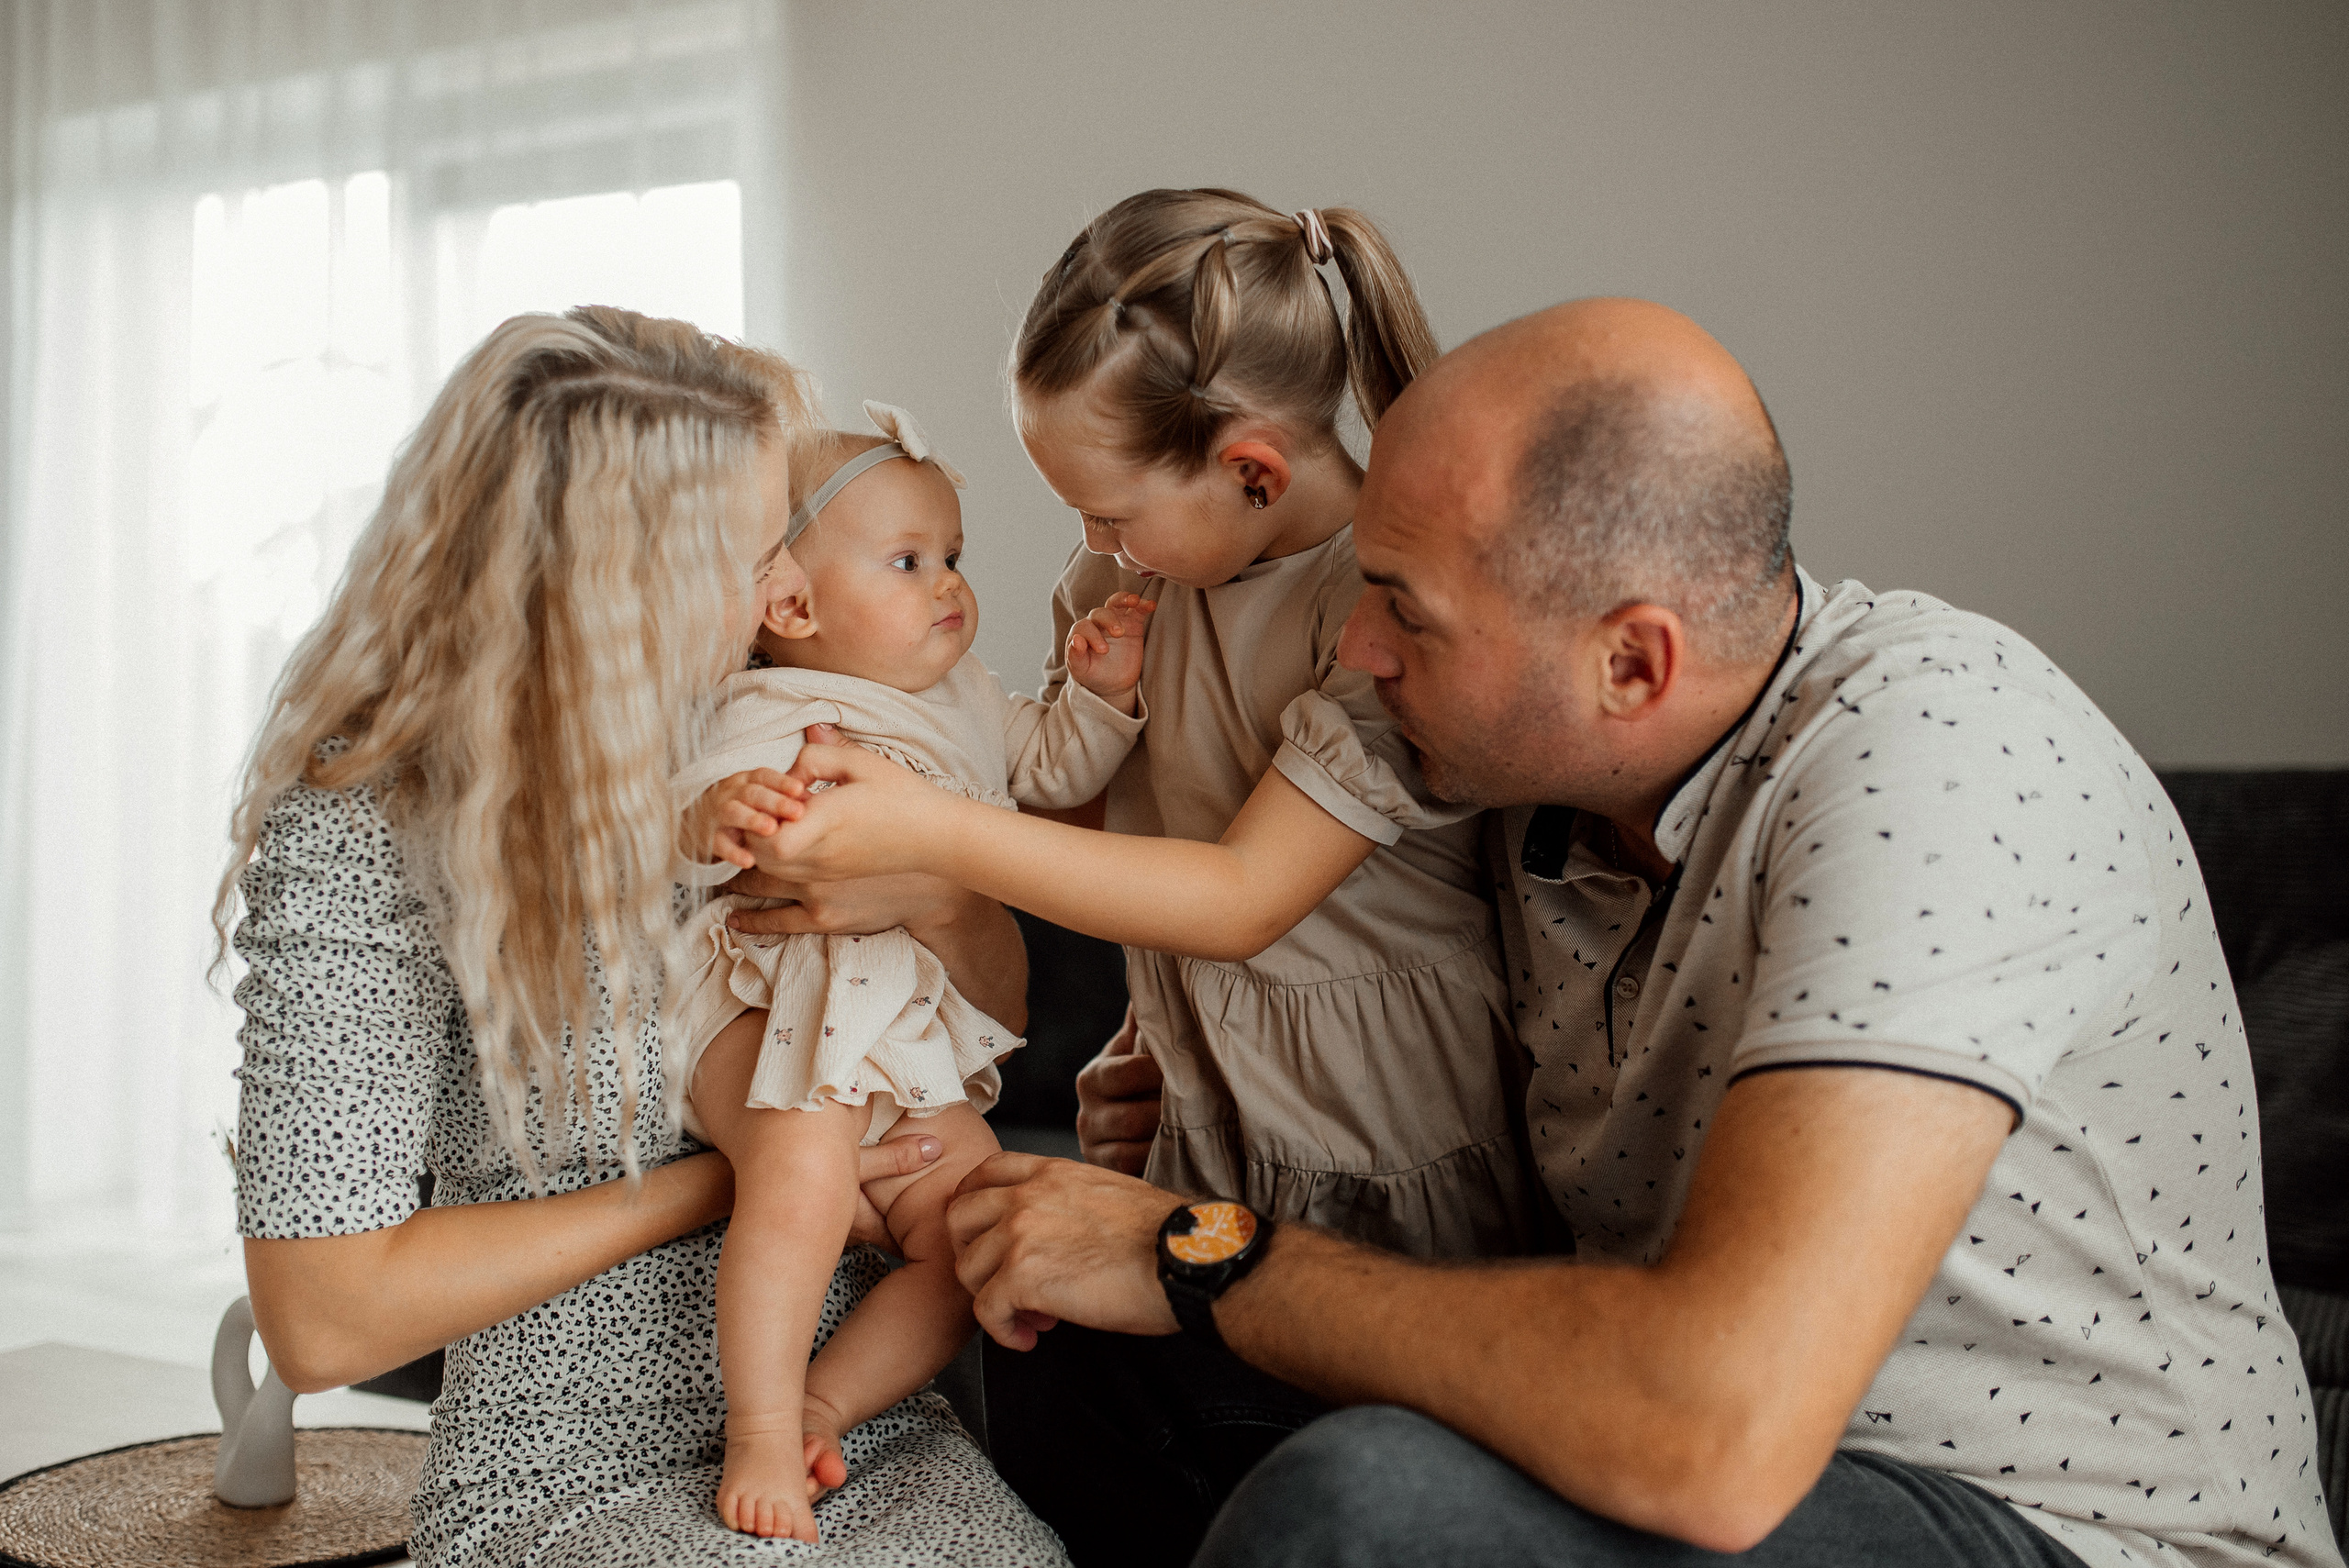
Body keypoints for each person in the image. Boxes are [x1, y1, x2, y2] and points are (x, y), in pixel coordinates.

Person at [760, 299, 2342, 1568]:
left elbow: (1711, 1434)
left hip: (2038, 1515)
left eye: (1403, 610)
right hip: (1649, 1444)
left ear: (1633, 663)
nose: (1357, 649)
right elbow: (1243, 909)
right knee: (1046, 1309)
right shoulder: (1523, 779)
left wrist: (1195, 1246)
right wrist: (1147, 1064)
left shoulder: (1939, 755)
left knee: (1373, 1503)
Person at [718, 186, 1542, 1558]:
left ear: (1254, 474)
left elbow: (1240, 896)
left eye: (1110, 512)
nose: (1094, 548)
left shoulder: (1380, 609)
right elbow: (1098, 834)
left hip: (1381, 1123)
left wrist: (921, 832)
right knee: (1092, 1413)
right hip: (1205, 1106)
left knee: (1343, 1462)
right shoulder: (1129, 593)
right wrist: (1133, 1025)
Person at [219, 308, 1067, 1566]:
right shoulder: (369, 827)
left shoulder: (782, 726)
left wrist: (935, 895)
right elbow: (328, 1322)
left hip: (864, 1429)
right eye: (753, 552)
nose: (788, 588)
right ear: (619, 583)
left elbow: (992, 998)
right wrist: (771, 1170)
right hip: (569, 1469)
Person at [662, 399, 1152, 1540]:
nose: (948, 586)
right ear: (788, 604)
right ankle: (760, 1428)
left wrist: (1103, 693)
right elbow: (666, 831)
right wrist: (713, 811)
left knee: (978, 1226)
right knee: (804, 1176)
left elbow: (1051, 762)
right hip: (774, 1005)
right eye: (907, 560)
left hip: (907, 1023)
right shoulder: (755, 704)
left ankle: (830, 1399)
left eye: (953, 558)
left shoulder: (969, 698)